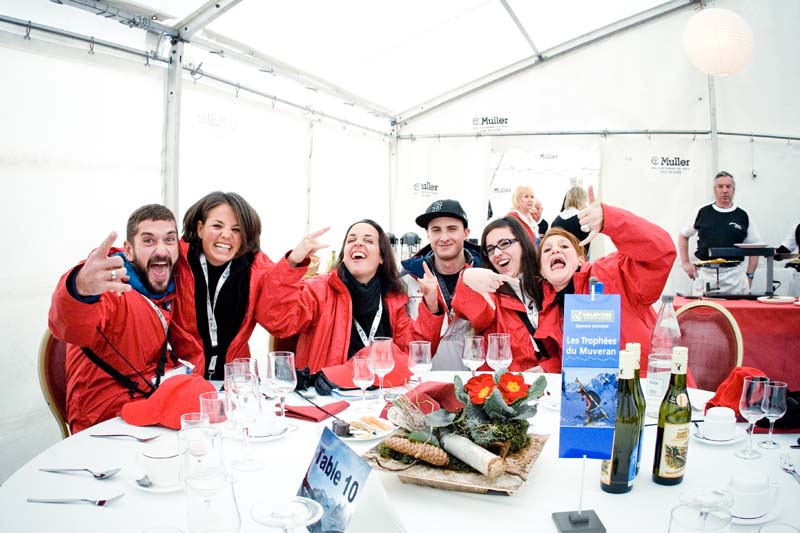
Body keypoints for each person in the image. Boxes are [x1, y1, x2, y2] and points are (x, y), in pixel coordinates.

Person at [48, 204, 187, 433]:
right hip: (105, 429)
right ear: (129, 251)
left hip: (149, 418)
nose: (161, 250)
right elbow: (69, 325)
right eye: (149, 241)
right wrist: (80, 288)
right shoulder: (111, 290)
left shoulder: (170, 289)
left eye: (169, 240)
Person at [257, 219, 443, 385]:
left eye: (368, 240)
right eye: (351, 240)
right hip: (325, 396)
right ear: (344, 255)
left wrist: (431, 304)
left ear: (381, 257)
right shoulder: (319, 289)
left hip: (376, 394)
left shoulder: (392, 298)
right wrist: (292, 262)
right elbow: (277, 321)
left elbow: (415, 354)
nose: (358, 243)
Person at [537, 186, 677, 375]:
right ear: (542, 271)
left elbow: (661, 252)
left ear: (581, 259)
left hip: (648, 383)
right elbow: (566, 359)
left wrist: (610, 220)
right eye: (547, 250)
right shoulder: (548, 310)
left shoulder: (610, 272)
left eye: (564, 246)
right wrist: (544, 369)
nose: (555, 250)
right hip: (594, 390)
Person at [169, 192, 275, 380]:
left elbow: (281, 321)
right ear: (200, 229)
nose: (226, 235)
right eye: (217, 226)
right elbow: (139, 259)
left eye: (236, 229)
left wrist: (292, 265)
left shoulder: (256, 268)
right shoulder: (176, 260)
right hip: (185, 378)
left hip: (238, 380)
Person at [452, 217, 553, 372]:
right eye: (490, 249)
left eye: (504, 243)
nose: (497, 253)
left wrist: (546, 369)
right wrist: (466, 277)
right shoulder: (490, 295)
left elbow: (567, 347)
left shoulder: (550, 289)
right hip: (505, 385)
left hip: (551, 384)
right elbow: (469, 308)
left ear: (523, 244)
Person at [401, 199, 483, 370]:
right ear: (428, 235)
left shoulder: (486, 275)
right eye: (436, 230)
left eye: (452, 229)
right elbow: (402, 340)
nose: (444, 237)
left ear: (466, 233)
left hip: (475, 382)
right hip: (423, 382)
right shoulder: (406, 281)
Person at [678, 171, 761, 296]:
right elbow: (683, 236)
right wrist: (685, 263)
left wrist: (749, 276)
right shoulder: (702, 212)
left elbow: (756, 248)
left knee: (737, 309)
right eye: (720, 186)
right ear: (714, 190)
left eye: (728, 186)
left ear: (733, 190)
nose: (724, 190)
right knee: (703, 309)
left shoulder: (743, 215)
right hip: (706, 276)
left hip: (735, 279)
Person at [552, 186, 590, 255]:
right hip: (577, 257)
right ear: (581, 201)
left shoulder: (556, 221)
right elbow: (585, 247)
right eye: (585, 201)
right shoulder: (582, 219)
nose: (586, 206)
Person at [776, 221, 800, 297]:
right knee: (793, 303)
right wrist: (770, 252)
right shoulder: (797, 226)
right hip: (798, 277)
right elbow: (784, 250)